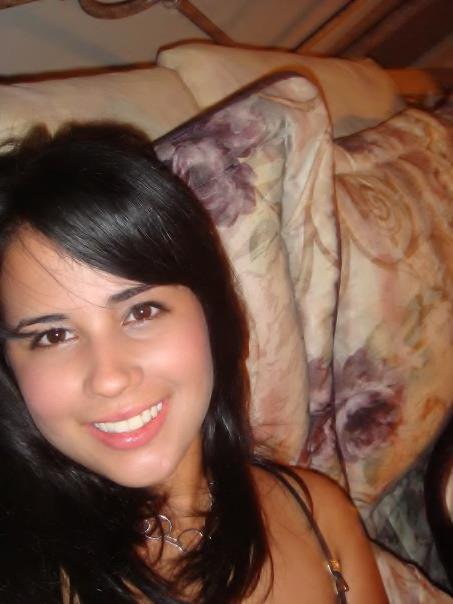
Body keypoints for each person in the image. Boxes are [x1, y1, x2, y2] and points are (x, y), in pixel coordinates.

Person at [0, 122, 388, 604]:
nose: (110, 377)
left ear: (210, 311)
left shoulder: (319, 515)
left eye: (141, 312)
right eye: (54, 335)